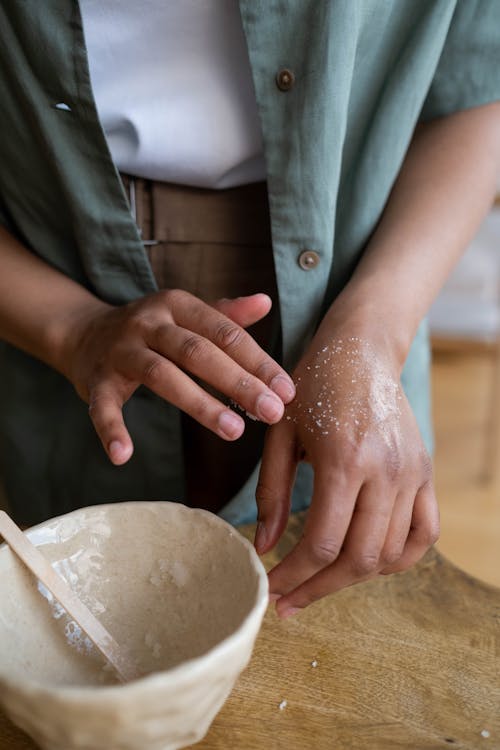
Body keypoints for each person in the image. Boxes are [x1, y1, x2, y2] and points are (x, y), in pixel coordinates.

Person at [0, 1, 499, 619]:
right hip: (40, 277)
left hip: (366, 269)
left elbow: (481, 85)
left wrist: (373, 334)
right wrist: (70, 327)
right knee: (75, 627)